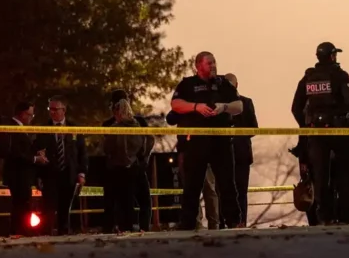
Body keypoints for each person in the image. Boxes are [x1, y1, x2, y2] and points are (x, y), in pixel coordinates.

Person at [171, 51, 243, 230]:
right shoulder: (188, 84)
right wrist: (197, 107)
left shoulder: (223, 83)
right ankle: (188, 223)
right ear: (198, 66)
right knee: (192, 184)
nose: (213, 66)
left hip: (221, 140)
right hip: (196, 141)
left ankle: (233, 221)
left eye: (214, 62)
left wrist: (223, 107)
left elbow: (239, 106)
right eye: (209, 63)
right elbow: (176, 104)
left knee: (227, 183)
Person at [291, 42, 349, 225]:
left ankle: (325, 216)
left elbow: (296, 107)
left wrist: (306, 125)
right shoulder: (340, 75)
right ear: (332, 56)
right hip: (339, 131)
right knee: (345, 173)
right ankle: (347, 215)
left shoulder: (308, 78)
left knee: (320, 176)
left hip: (316, 133)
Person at [34, 96, 88, 235]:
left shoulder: (74, 128)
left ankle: (64, 233)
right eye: (50, 109)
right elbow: (37, 151)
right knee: (49, 208)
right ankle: (46, 234)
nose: (52, 112)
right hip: (50, 174)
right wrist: (38, 175)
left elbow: (82, 152)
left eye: (55, 109)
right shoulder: (43, 129)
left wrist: (81, 173)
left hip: (68, 173)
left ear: (63, 110)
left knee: (65, 207)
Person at [103, 99, 155, 233]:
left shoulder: (115, 129)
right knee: (144, 200)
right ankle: (144, 227)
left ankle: (126, 228)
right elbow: (150, 140)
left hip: (121, 168)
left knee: (125, 202)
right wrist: (143, 158)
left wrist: (116, 158)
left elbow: (106, 148)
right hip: (136, 166)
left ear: (117, 113)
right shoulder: (138, 125)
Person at [0, 102, 42, 235]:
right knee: (20, 202)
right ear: (22, 114)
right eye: (30, 115)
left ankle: (19, 229)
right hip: (17, 174)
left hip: (22, 174)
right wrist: (35, 159)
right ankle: (19, 229)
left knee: (21, 202)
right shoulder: (12, 128)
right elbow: (16, 152)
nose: (31, 118)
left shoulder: (20, 128)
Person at [225, 73, 258, 225]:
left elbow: (254, 128)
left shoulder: (245, 102)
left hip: (238, 153)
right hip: (229, 152)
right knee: (231, 190)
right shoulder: (221, 105)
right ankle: (234, 221)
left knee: (238, 190)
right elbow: (254, 129)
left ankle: (238, 221)